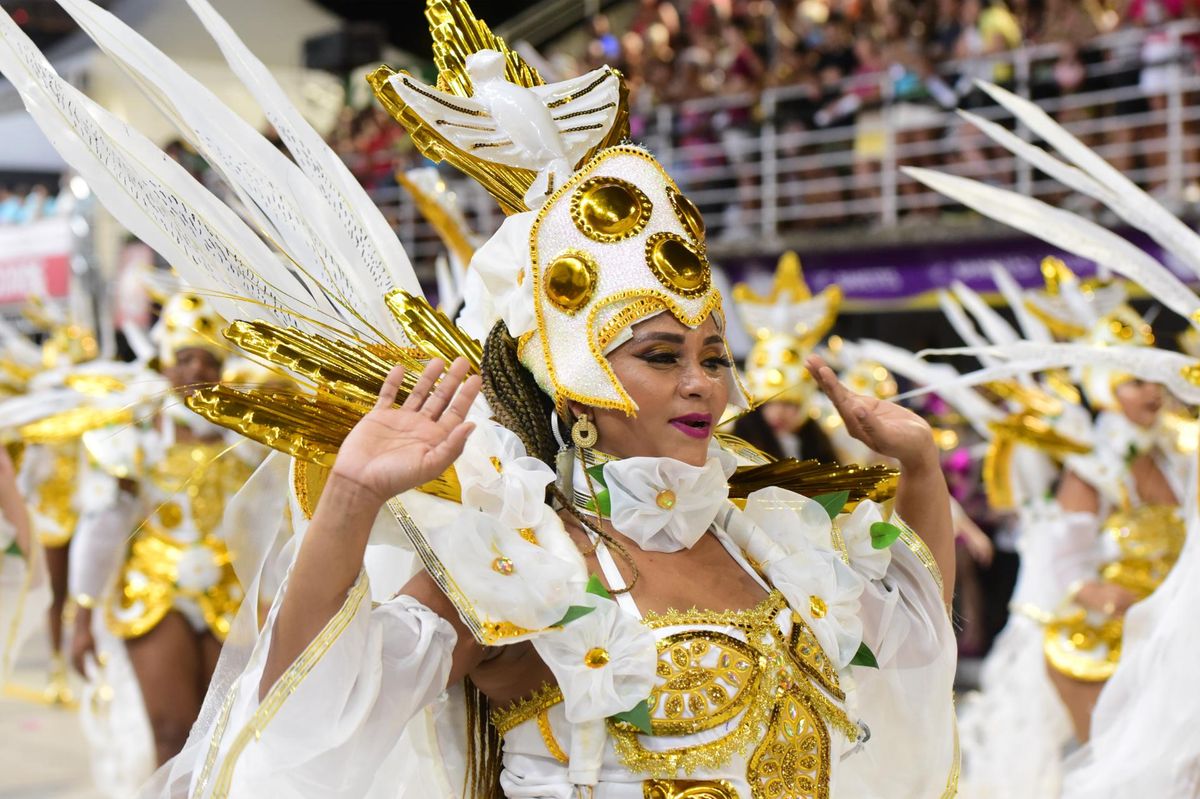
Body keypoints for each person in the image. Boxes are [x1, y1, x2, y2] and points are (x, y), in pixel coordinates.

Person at [68, 292, 263, 778]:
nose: (195, 370)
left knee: (224, 731)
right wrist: (82, 611)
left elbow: (274, 528)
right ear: (165, 365)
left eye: (207, 360)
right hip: (155, 590)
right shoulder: (136, 436)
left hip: (231, 594)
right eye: (184, 358)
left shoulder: (249, 441)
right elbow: (104, 525)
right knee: (172, 732)